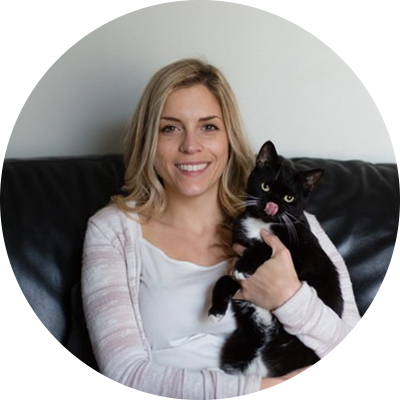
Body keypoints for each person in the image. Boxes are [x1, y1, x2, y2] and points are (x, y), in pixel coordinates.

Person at [81, 58, 361, 398]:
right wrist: (276, 391)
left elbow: (353, 365)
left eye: (208, 127)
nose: (191, 146)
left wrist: (290, 298)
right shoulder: (112, 232)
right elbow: (123, 377)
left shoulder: (295, 227)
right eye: (170, 128)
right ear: (147, 139)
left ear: (229, 136)